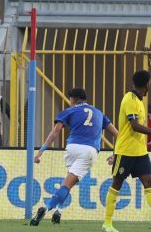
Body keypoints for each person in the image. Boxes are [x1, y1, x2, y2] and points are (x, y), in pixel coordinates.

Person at [30, 88, 119, 226]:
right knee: (68, 184)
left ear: (73, 99)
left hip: (72, 148)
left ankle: (58, 210)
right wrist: (116, 154)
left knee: (68, 182)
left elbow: (56, 131)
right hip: (89, 151)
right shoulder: (99, 113)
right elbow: (118, 135)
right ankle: (46, 208)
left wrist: (41, 151)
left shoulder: (69, 111)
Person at [102, 70, 151, 232]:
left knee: (149, 183)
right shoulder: (129, 99)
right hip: (125, 151)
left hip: (140, 152)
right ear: (146, 84)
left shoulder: (138, 100)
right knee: (117, 183)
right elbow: (134, 126)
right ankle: (107, 223)